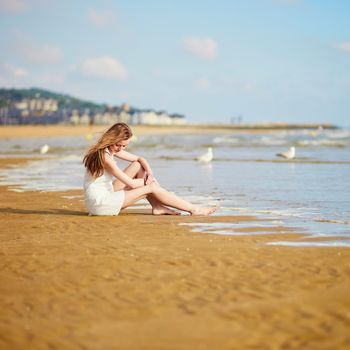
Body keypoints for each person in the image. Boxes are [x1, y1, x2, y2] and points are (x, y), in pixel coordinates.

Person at [83, 123, 218, 216]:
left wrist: (150, 175)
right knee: (151, 187)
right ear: (112, 139)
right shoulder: (105, 157)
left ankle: (157, 207)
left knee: (138, 166)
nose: (121, 149)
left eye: (124, 146)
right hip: (100, 204)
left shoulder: (108, 150)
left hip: (103, 195)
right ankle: (194, 209)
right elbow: (130, 184)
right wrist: (149, 184)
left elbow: (140, 159)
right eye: (119, 145)